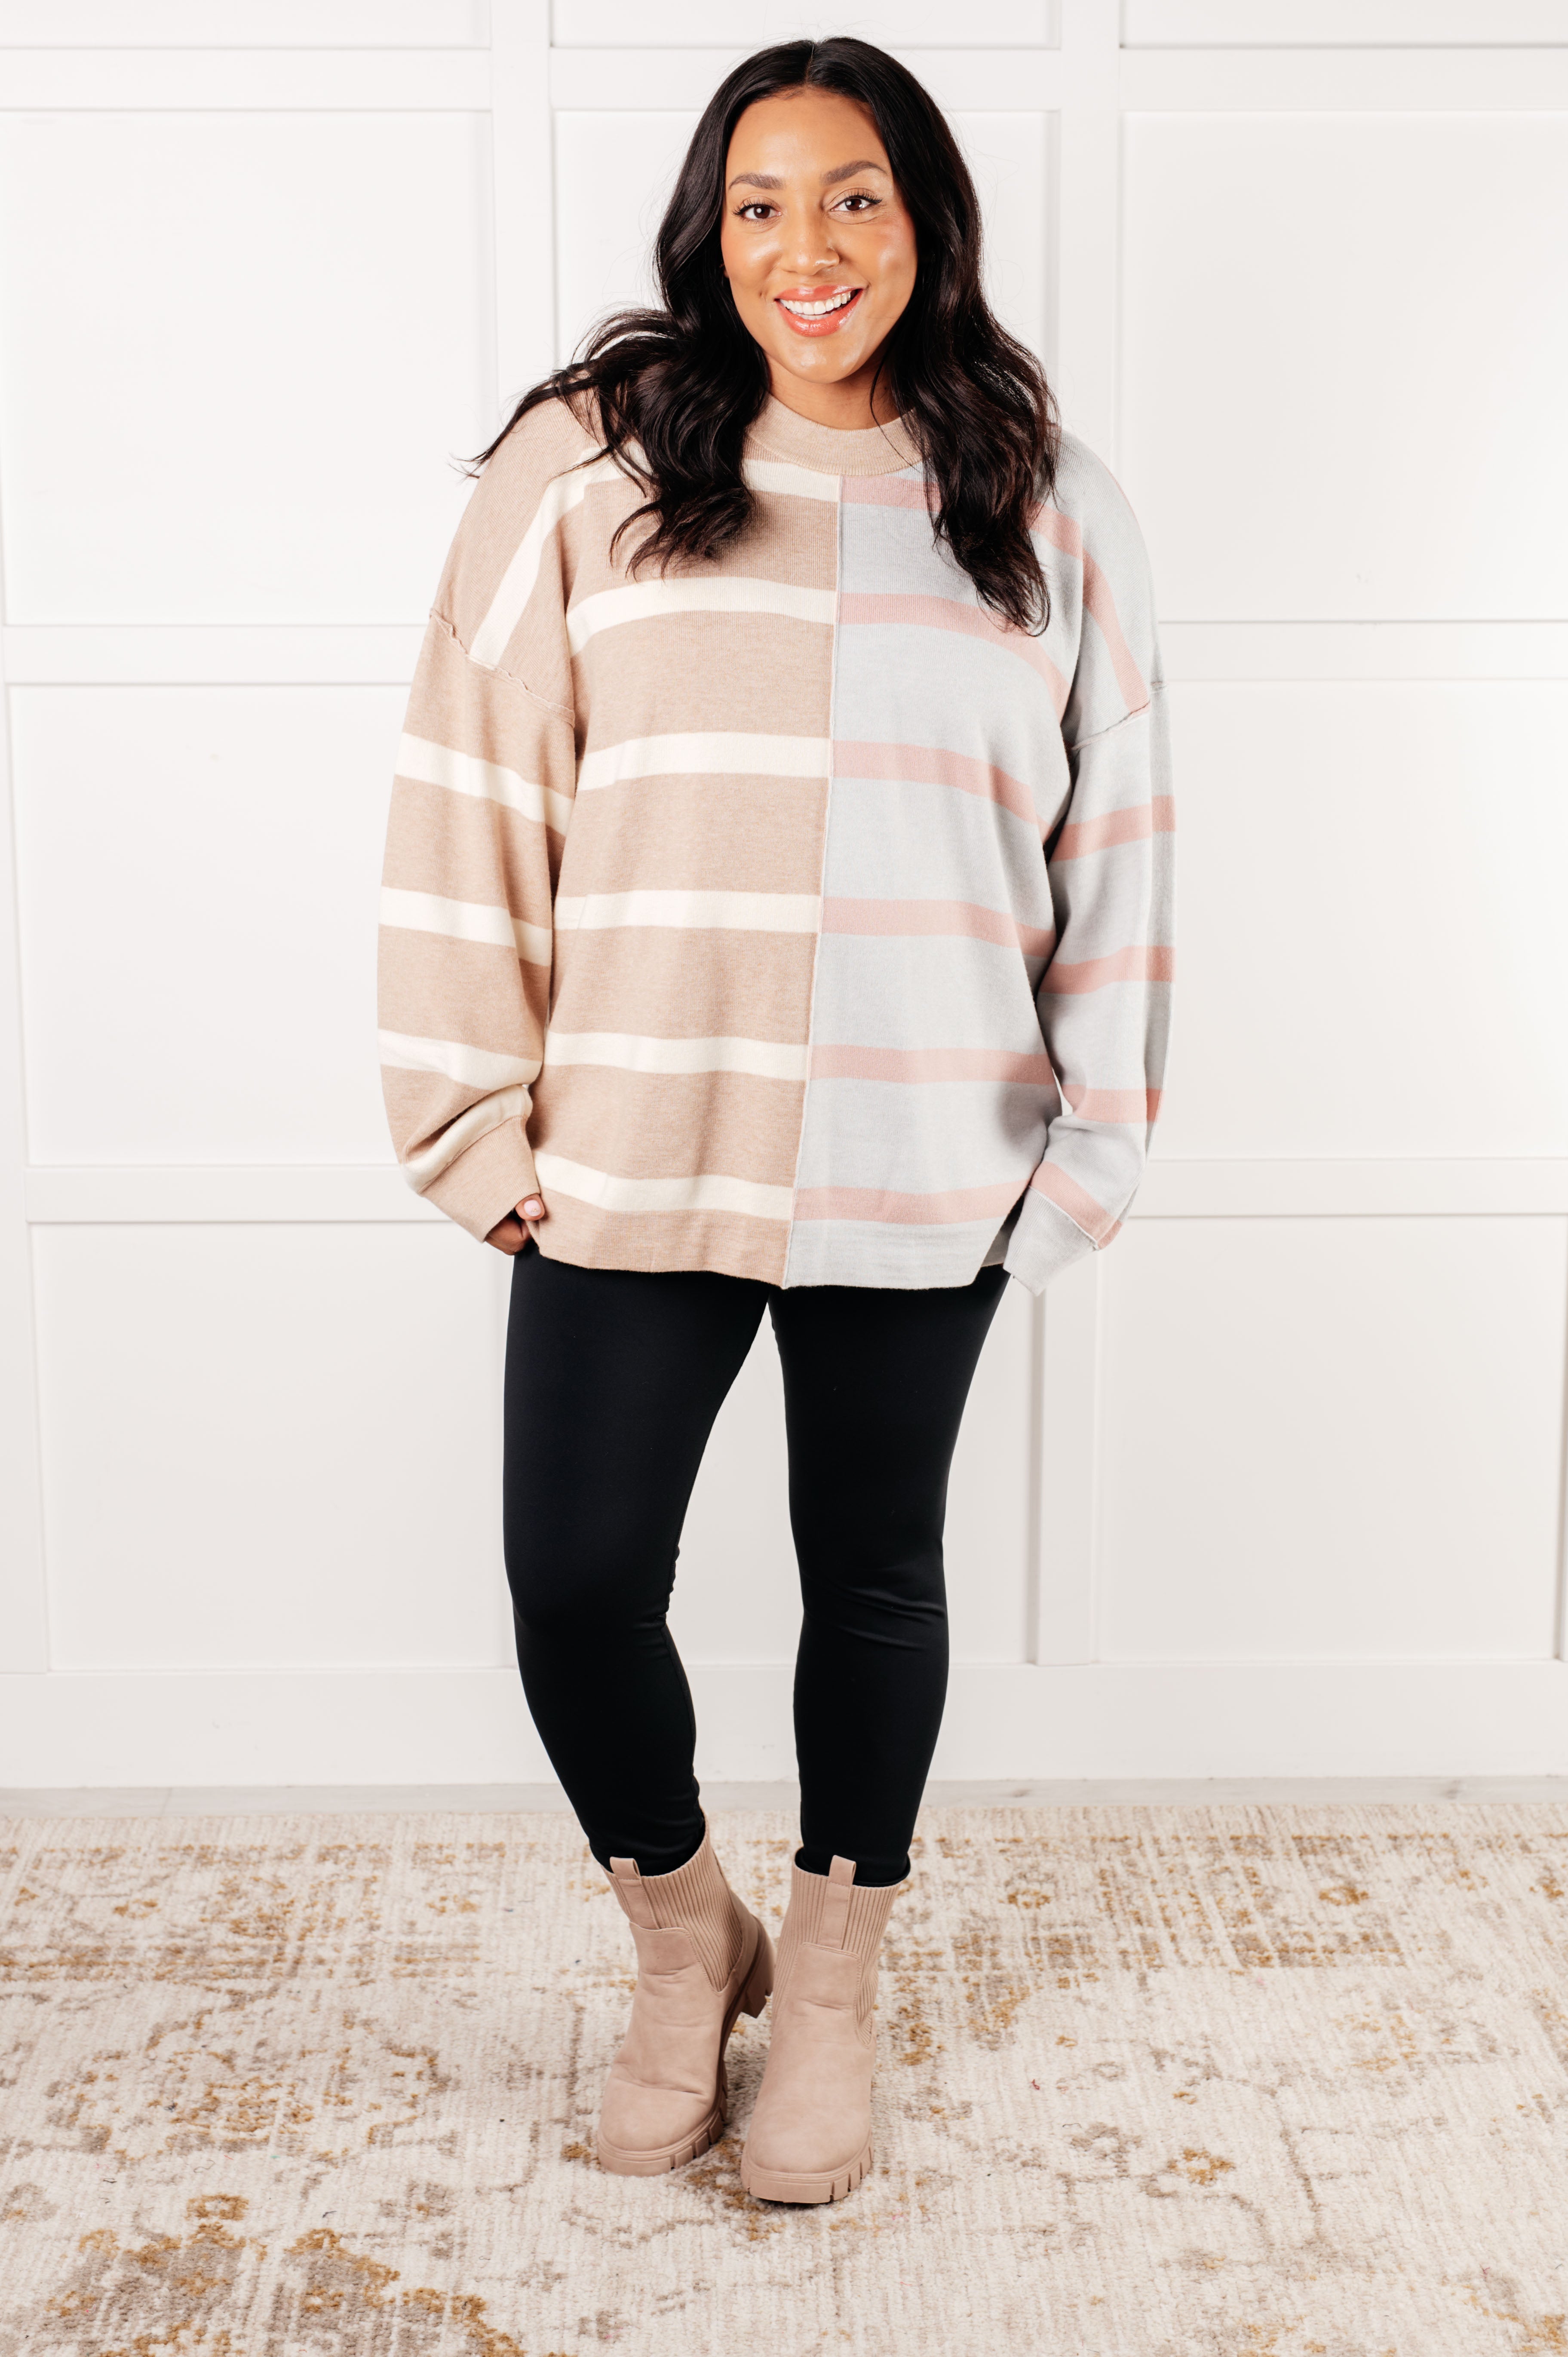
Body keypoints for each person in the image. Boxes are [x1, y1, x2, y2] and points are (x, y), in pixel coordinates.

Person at [377, 34, 1172, 2206]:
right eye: (756, 203)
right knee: (574, 1585)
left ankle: (825, 1981)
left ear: (925, 224)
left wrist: (1086, 1149)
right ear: (705, 230)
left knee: (875, 1581)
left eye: (849, 200)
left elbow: (1124, 842)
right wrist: (469, 1104)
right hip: (635, 1140)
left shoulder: (1045, 499)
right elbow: (475, 782)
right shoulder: (587, 467)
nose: (801, 249)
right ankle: (680, 1938)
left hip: (934, 1149)